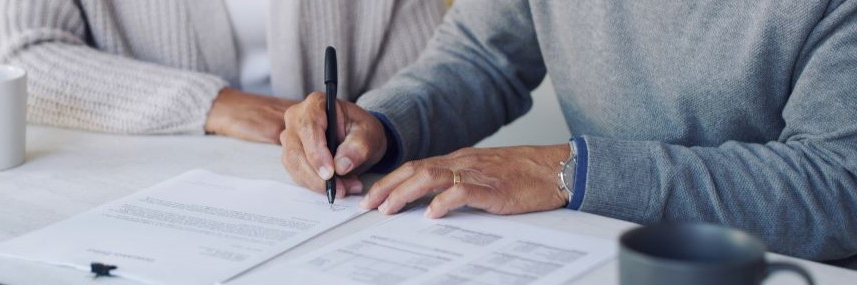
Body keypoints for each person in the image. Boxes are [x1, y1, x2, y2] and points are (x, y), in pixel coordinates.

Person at [279, 0, 857, 261]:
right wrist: (380, 125)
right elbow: (483, 57)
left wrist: (572, 170)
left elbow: (837, 185)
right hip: (590, 255)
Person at [0, 0, 444, 143]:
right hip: (128, 198)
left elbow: (432, 81)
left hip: (321, 207)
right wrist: (212, 104)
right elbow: (12, 61)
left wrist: (373, 134)